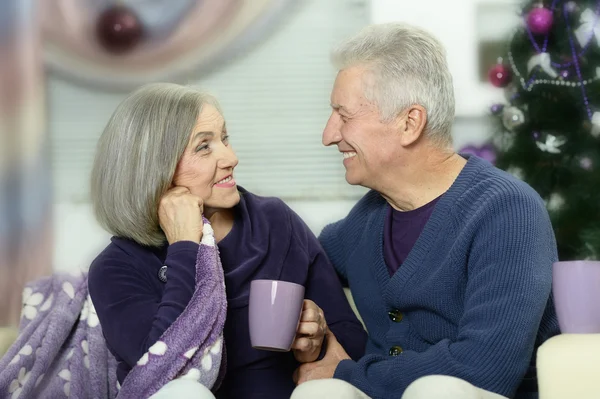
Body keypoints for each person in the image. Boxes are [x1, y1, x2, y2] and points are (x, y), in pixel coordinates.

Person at [291, 23, 560, 399]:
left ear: (409, 123)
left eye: (344, 115)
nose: (329, 134)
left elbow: (484, 369)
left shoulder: (508, 212)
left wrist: (347, 373)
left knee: (438, 391)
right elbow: (295, 258)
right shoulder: (366, 220)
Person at [87, 83, 367, 399]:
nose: (231, 158)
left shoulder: (274, 221)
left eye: (225, 138)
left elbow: (354, 345)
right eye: (204, 147)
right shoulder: (116, 267)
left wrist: (320, 339)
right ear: (153, 167)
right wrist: (184, 247)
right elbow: (158, 371)